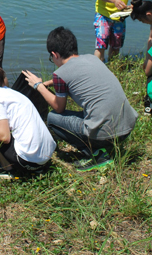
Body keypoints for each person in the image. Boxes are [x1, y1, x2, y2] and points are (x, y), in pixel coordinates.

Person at [22, 27, 138, 172]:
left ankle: (96, 154)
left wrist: (38, 86)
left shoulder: (61, 74)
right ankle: (103, 147)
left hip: (105, 135)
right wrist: (50, 83)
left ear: (55, 54)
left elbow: (58, 107)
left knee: (52, 118)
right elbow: (77, 74)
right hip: (126, 128)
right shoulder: (92, 58)